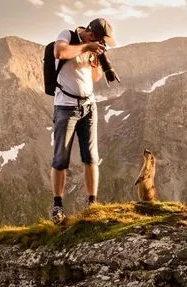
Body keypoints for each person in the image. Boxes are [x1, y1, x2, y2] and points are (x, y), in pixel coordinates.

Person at [50, 18, 116, 224]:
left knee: (91, 157)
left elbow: (94, 78)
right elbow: (59, 52)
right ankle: (58, 206)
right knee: (61, 158)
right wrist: (87, 47)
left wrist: (95, 59)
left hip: (89, 106)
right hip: (65, 107)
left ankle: (92, 204)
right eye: (102, 41)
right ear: (92, 34)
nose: (103, 44)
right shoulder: (67, 35)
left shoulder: (91, 48)